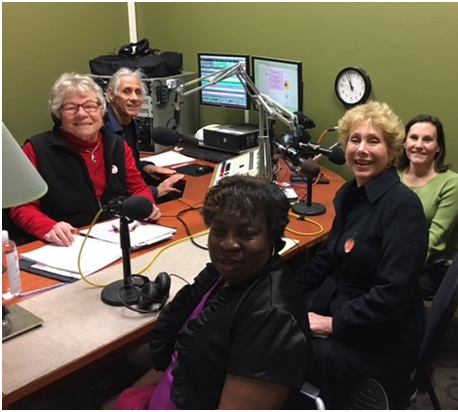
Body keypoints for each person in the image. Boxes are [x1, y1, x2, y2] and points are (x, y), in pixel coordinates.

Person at [105, 175, 311, 409]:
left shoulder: (272, 321)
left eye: (246, 234)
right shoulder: (222, 276)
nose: (228, 244)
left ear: (273, 238)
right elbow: (177, 358)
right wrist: (128, 396)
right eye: (219, 231)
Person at [294, 101, 428, 408]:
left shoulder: (402, 207)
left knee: (283, 345)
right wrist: (285, 288)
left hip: (380, 337)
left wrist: (332, 324)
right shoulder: (349, 194)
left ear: (392, 152)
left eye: (373, 141)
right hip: (348, 305)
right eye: (355, 140)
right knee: (271, 320)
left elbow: (392, 296)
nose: (361, 150)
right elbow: (329, 258)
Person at [9, 73, 161, 247]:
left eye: (90, 106)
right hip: (67, 243)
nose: (82, 114)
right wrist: (49, 227)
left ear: (101, 109)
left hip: (117, 236)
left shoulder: (117, 144)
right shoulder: (36, 149)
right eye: (71, 108)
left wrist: (146, 205)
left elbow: (138, 187)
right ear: (59, 114)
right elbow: (21, 207)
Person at [397, 114, 458, 296]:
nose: (418, 145)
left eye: (427, 140)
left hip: (432, 266)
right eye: (413, 138)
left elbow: (434, 242)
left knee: (386, 289)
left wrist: (394, 267)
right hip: (391, 255)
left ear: (438, 148)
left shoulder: (452, 183)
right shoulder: (391, 176)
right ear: (404, 143)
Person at [104, 68, 185, 200]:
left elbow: (130, 165)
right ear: (111, 94)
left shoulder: (131, 124)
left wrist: (146, 167)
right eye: (127, 91)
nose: (134, 98)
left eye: (138, 92)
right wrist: (155, 191)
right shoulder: (103, 131)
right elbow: (114, 181)